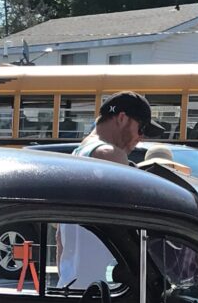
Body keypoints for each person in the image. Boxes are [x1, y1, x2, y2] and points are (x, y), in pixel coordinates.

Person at [56, 92, 164, 289]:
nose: (140, 138)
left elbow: (60, 238)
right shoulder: (110, 155)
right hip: (104, 291)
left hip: (72, 286)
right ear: (122, 118)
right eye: (141, 129)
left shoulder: (75, 156)